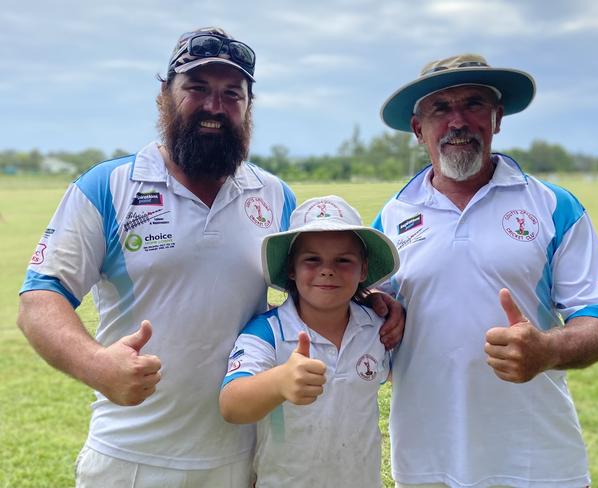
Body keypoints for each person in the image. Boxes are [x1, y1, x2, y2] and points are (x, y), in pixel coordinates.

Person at [16, 27, 403, 487]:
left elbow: (315, 279)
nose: (214, 106)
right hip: (131, 456)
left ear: (247, 107)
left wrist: (371, 300)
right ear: (165, 94)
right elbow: (39, 299)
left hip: (239, 459)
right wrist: (97, 365)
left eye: (231, 94)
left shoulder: (275, 196)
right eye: (196, 88)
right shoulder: (109, 186)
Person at [374, 54, 598, 488]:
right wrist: (375, 305)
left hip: (539, 463)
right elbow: (359, 312)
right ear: (418, 129)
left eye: (473, 104)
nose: (458, 121)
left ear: (497, 118)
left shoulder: (553, 206)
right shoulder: (391, 219)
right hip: (426, 461)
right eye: (440, 109)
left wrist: (548, 349)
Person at [219, 195, 400, 487]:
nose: (327, 270)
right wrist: (279, 382)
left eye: (343, 260)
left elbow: (413, 371)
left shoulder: (377, 329)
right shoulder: (269, 331)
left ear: (363, 270)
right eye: (312, 259)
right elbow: (231, 405)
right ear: (291, 268)